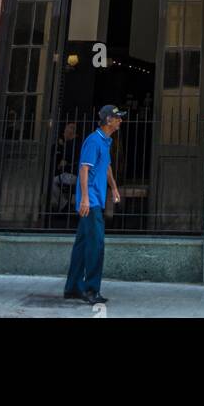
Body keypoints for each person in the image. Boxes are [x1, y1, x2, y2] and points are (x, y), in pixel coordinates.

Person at [63, 105, 124, 305]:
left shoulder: (106, 141)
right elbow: (84, 169)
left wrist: (114, 187)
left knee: (82, 245)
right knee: (96, 246)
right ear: (108, 120)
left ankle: (72, 287)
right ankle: (91, 289)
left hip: (95, 198)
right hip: (91, 202)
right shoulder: (93, 140)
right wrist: (85, 199)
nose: (120, 121)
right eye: (117, 118)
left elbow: (106, 166)